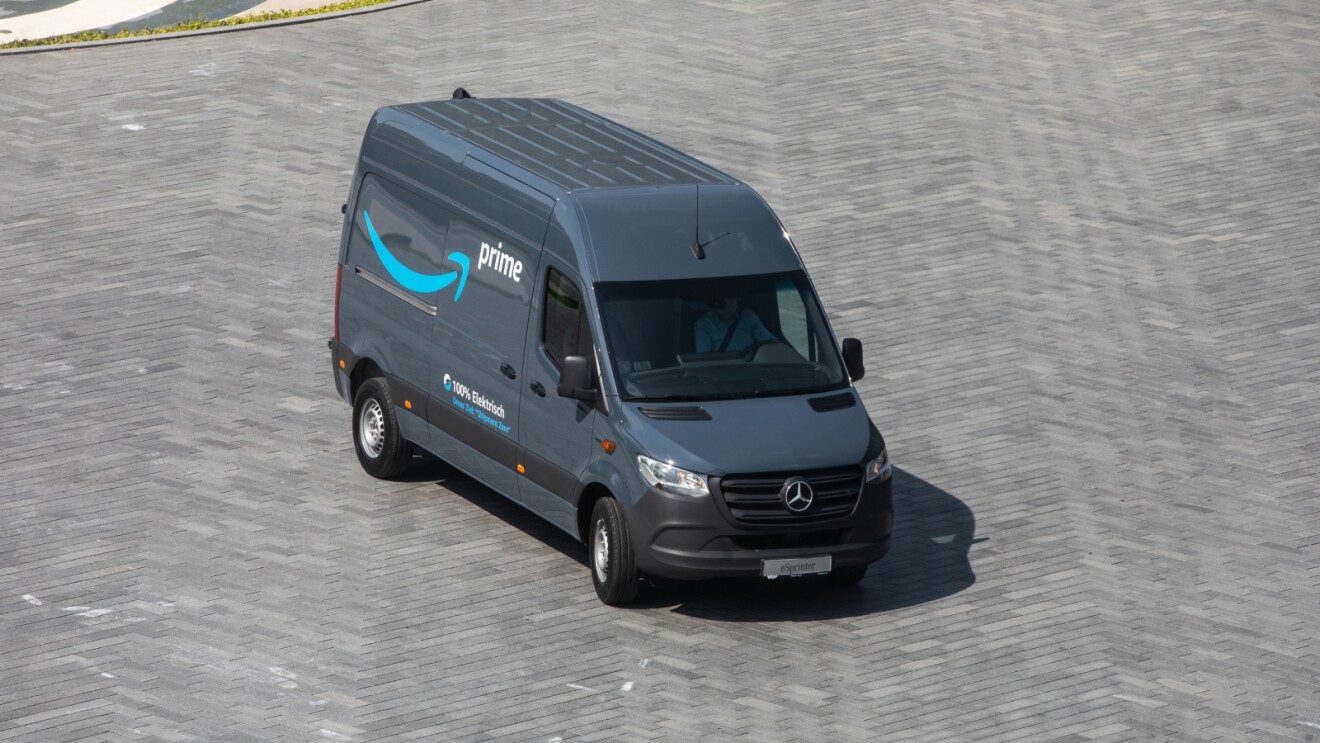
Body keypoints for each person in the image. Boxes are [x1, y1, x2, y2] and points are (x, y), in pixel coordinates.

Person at [694, 297, 776, 353]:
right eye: (722, 305)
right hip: (722, 373)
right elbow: (704, 358)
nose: (727, 309)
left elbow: (772, 343)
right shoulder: (704, 324)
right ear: (714, 304)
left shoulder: (748, 316)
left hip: (752, 367)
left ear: (737, 299)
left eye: (731, 305)